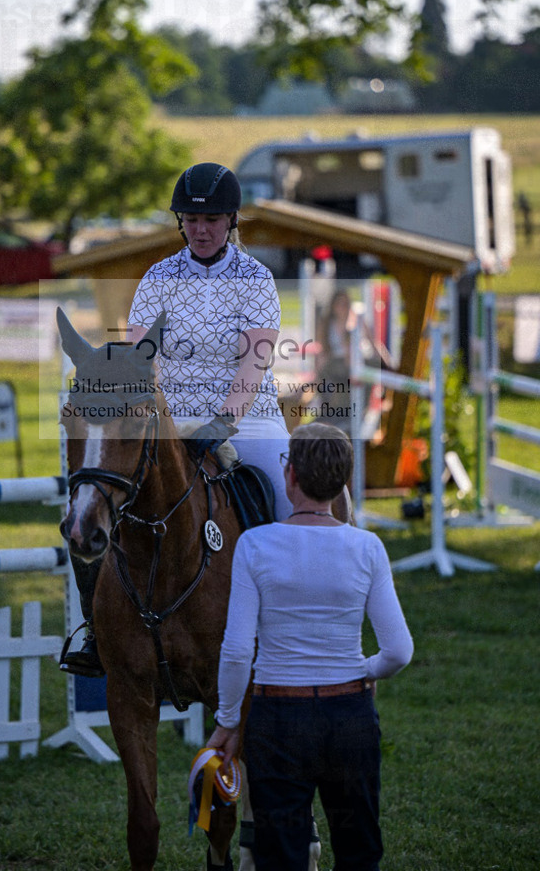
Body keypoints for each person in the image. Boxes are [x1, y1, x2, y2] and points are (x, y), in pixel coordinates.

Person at [61, 161, 292, 675]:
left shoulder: (254, 278)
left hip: (248, 419)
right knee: (94, 499)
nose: (201, 229)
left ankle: (290, 628)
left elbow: (255, 360)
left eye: (211, 220)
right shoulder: (158, 277)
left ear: (231, 221)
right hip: (171, 418)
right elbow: (147, 361)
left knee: (288, 498)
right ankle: (96, 634)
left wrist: (224, 422)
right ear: (180, 221)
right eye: (190, 219)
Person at [207, 422, 413, 871]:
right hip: (350, 715)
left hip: (277, 718)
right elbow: (398, 650)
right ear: (341, 483)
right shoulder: (368, 547)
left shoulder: (254, 545)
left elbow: (238, 649)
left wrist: (226, 721)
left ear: (290, 476)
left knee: (279, 855)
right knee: (359, 852)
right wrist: (364, 670)